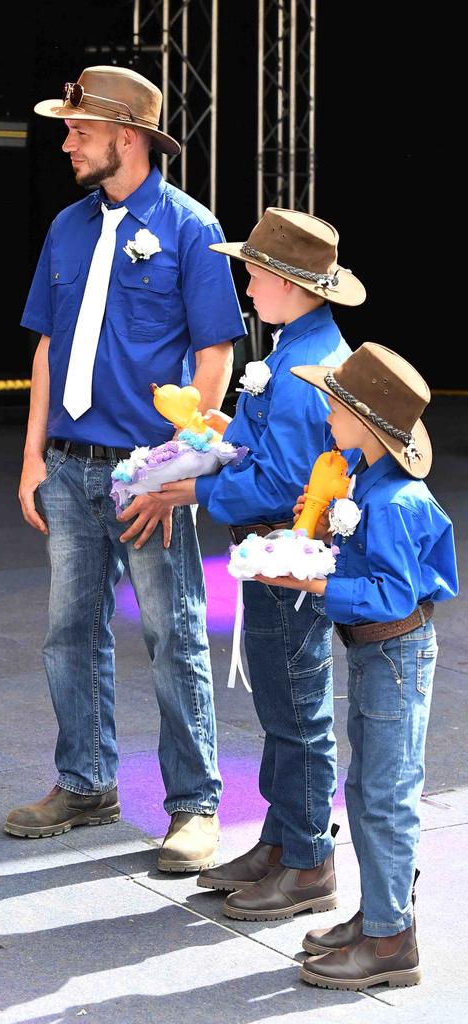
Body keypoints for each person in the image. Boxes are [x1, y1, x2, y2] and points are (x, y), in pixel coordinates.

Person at [7, 66, 245, 872]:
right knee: (68, 634)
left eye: (79, 130)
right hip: (70, 466)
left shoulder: (191, 229)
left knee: (174, 634)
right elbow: (46, 348)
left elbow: (216, 357)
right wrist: (33, 454)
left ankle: (195, 808)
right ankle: (85, 783)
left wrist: (180, 469)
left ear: (127, 138)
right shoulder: (68, 228)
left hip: (147, 472)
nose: (66, 143)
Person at [159, 208, 366, 914]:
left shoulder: (305, 368)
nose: (246, 285)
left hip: (290, 555)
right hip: (277, 551)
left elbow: (283, 482)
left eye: (253, 273)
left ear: (288, 282)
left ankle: (308, 861)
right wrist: (219, 435)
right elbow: (272, 457)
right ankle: (282, 841)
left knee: (298, 715)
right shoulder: (292, 352)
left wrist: (196, 484)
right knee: (283, 709)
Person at [254, 343, 457, 989]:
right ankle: (380, 915)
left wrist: (310, 582)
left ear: (365, 421)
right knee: (368, 790)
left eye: (334, 404)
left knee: (385, 798)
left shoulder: (395, 500)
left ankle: (392, 940)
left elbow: (393, 594)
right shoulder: (361, 477)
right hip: (375, 654)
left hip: (394, 655)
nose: (325, 412)